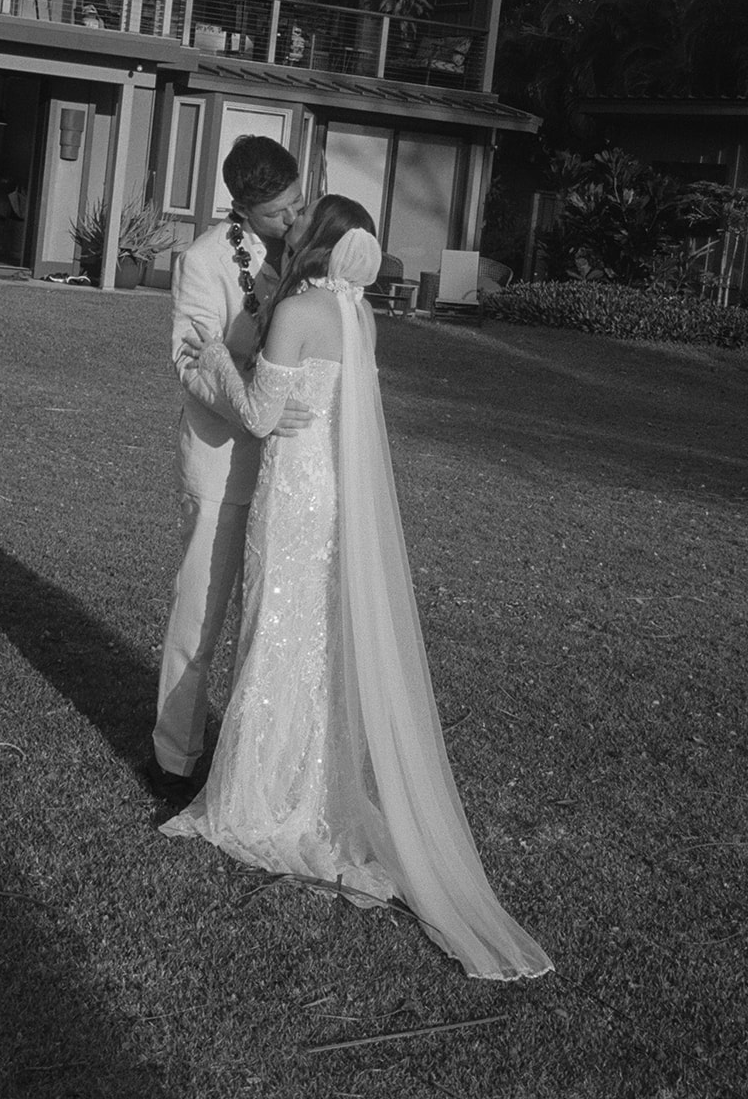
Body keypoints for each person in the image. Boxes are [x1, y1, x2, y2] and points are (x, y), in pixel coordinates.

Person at [161, 196, 553, 978]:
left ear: (317, 240)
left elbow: (262, 417)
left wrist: (215, 362)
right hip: (331, 498)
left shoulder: (298, 310)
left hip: (291, 497)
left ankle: (264, 794)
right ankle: (305, 780)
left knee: (277, 632)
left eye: (303, 221)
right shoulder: (358, 314)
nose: (292, 227)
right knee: (310, 641)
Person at [149, 135, 308, 808]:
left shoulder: (306, 250)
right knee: (200, 615)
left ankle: (255, 760)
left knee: (270, 622)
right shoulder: (204, 260)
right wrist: (254, 411)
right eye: (277, 213)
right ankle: (174, 758)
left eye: (297, 204)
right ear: (242, 208)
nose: (292, 220)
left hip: (292, 470)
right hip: (221, 464)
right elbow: (191, 361)